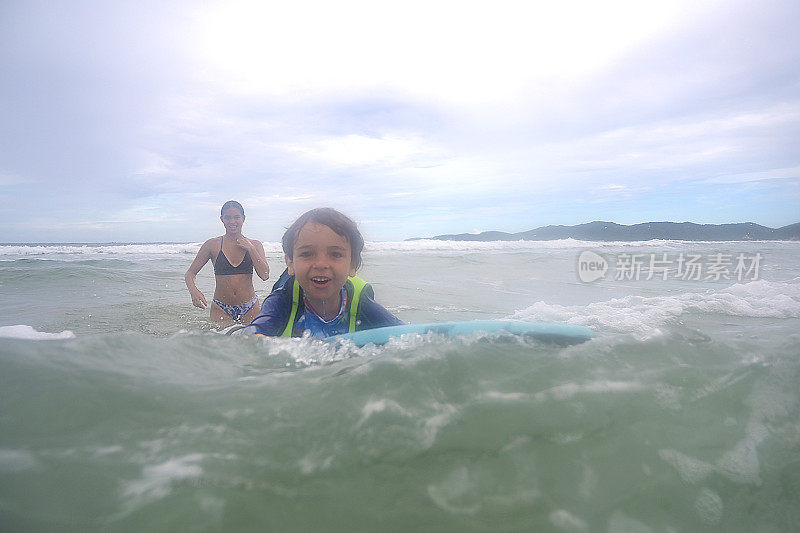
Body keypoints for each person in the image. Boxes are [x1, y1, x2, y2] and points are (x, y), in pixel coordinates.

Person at [242, 207, 401, 337]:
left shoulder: (360, 303)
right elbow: (254, 332)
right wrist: (255, 338)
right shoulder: (282, 301)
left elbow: (404, 335)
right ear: (290, 262)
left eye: (335, 254)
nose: (321, 264)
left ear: (353, 264)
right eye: (307, 254)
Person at [185, 200, 269, 326]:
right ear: (222, 219)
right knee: (221, 345)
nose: (232, 221)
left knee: (251, 344)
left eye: (236, 217)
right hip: (221, 308)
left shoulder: (255, 245)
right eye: (227, 217)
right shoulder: (212, 245)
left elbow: (265, 275)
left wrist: (251, 249)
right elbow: (190, 273)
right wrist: (194, 291)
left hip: (250, 307)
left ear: (243, 218)